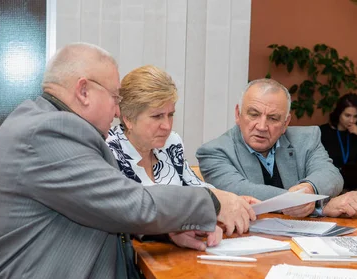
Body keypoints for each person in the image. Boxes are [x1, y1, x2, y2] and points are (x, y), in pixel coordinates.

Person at [0, 43, 255, 279]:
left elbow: (99, 208)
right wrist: (212, 200)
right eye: (116, 98)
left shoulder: (47, 121)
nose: (119, 111)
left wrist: (166, 232)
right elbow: (131, 204)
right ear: (84, 90)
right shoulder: (50, 132)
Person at [106, 65, 257, 251]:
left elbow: (193, 186)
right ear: (128, 118)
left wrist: (231, 201)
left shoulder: (171, 143)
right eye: (157, 116)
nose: (167, 126)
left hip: (177, 254)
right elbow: (131, 213)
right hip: (136, 258)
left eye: (170, 115)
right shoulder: (109, 151)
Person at [197, 78, 357, 218]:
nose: (261, 126)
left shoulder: (307, 138)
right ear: (238, 114)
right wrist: (319, 206)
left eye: (273, 118)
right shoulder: (214, 151)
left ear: (286, 123)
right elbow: (242, 192)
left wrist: (309, 188)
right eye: (254, 114)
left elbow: (331, 174)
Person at [319, 93, 357, 168]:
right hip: (330, 177)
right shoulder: (323, 132)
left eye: (355, 116)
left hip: (351, 177)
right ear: (339, 113)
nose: (352, 120)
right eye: (347, 115)